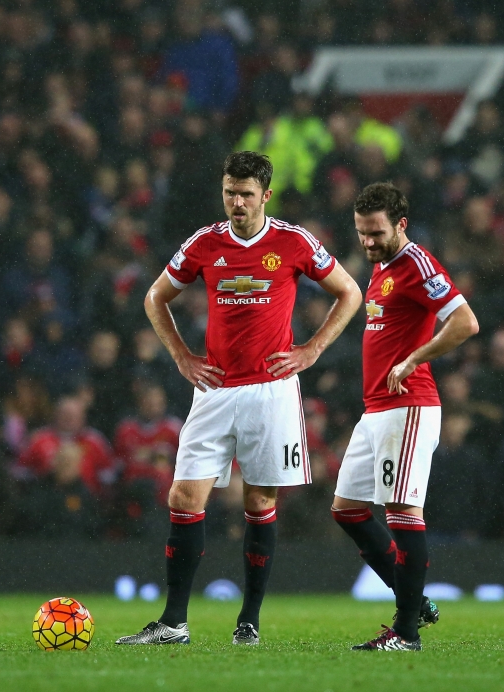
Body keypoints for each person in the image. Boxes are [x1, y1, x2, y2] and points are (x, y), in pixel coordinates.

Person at [116, 151, 362, 646]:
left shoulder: (293, 242)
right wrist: (183, 357)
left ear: (265, 195)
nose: (237, 203)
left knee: (260, 500)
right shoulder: (205, 243)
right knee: (183, 498)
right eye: (230, 192)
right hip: (213, 389)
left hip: (271, 390)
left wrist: (311, 349)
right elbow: (153, 297)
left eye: (246, 194)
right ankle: (174, 621)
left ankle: (248, 621)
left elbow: (350, 292)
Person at [332, 182, 479, 652]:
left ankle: (407, 632)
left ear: (401, 225)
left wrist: (415, 358)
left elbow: (465, 322)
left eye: (376, 233)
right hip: (375, 409)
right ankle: (411, 598)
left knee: (401, 514)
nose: (369, 242)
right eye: (361, 233)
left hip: (408, 406)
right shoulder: (380, 268)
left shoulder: (418, 263)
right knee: (347, 510)